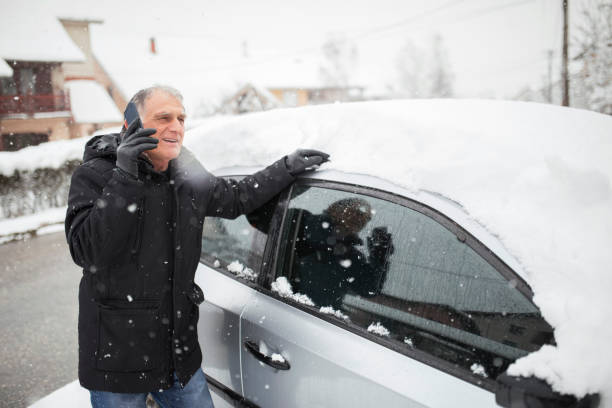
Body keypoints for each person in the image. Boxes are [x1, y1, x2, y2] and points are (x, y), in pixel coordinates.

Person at [64, 85, 329, 408]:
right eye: (163, 117)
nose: (176, 126)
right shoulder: (95, 175)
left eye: (181, 118)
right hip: (117, 357)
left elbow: (234, 198)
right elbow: (87, 251)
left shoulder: (184, 172)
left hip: (178, 353)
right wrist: (125, 176)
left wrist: (285, 168)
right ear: (131, 125)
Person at [291, 197, 394, 310]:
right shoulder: (301, 220)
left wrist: (380, 255)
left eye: (367, 218)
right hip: (286, 302)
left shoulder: (351, 257)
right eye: (359, 212)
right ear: (335, 209)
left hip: (324, 316)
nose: (362, 219)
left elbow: (369, 289)